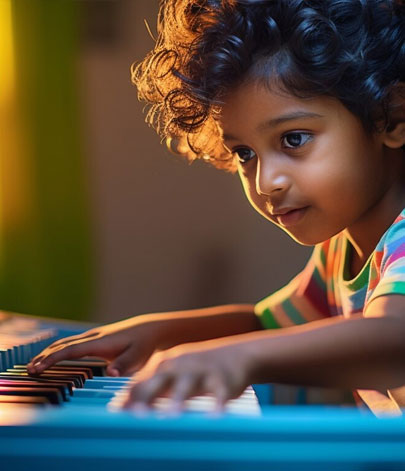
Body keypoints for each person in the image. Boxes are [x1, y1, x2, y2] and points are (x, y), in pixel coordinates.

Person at [28, 0, 405, 416]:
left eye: (293, 139)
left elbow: (392, 338)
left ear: (390, 117)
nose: (266, 182)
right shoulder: (342, 252)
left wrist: (234, 358)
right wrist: (158, 332)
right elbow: (268, 326)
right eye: (245, 153)